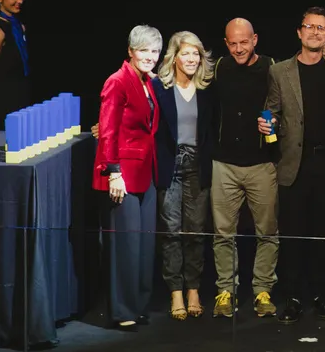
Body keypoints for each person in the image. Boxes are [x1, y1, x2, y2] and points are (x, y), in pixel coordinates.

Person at [262, 7, 325, 324]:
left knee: (324, 233)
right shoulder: (280, 71)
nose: (315, 32)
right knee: (293, 234)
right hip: (293, 164)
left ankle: (321, 295)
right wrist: (269, 129)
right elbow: (271, 112)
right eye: (310, 26)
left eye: (321, 28)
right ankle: (293, 297)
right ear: (299, 32)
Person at [93, 25, 163, 330]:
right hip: (122, 173)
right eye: (144, 50)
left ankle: (138, 304)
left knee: (144, 244)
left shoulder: (147, 81)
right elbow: (107, 131)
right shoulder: (117, 81)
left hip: (146, 171)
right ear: (131, 51)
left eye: (155, 51)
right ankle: (123, 311)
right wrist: (114, 173)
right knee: (126, 244)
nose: (150, 56)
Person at [210, 18, 279, 319]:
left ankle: (263, 290)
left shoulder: (271, 67)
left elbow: (283, 107)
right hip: (224, 164)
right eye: (233, 43)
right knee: (223, 233)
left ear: (255, 40)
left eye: (244, 42)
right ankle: (226, 290)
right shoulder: (219, 68)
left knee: (268, 232)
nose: (239, 49)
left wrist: (275, 125)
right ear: (226, 44)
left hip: (261, 163)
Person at [155, 31, 215, 320]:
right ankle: (175, 291)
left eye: (196, 54)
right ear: (174, 57)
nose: (191, 59)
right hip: (170, 164)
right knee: (171, 231)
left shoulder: (207, 88)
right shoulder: (159, 87)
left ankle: (193, 289)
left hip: (198, 165)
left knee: (196, 231)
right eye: (186, 53)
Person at [0, 0, 30, 120]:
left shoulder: (19, 26)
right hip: (4, 102)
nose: (20, 0)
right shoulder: (0, 31)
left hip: (20, 97)